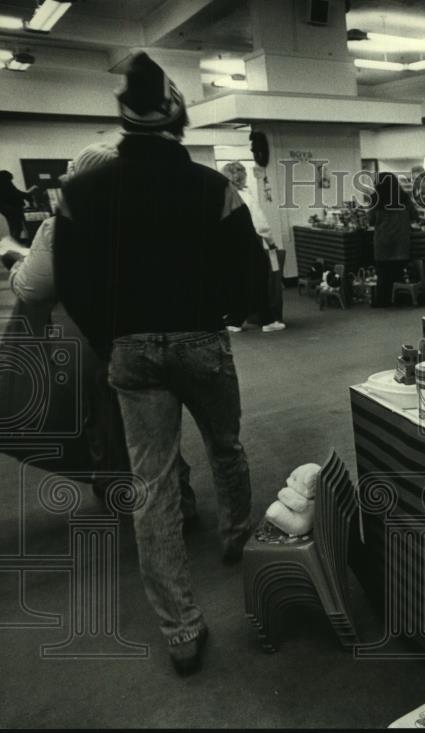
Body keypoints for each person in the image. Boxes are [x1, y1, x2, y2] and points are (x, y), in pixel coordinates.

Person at [52, 52, 260, 675]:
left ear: (123, 118)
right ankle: (237, 542)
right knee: (226, 446)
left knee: (152, 484)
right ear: (179, 118)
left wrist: (109, 337)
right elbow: (248, 271)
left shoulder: (80, 192)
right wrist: (223, 313)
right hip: (202, 340)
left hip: (131, 349)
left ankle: (181, 630)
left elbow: (70, 281)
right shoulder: (213, 186)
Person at [1, 142, 202, 520]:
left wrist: (14, 265)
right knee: (155, 423)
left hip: (95, 343)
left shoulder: (62, 225)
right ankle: (176, 499)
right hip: (156, 335)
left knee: (109, 422)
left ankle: (132, 499)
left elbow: (34, 287)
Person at [221, 161, 285, 333]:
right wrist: (271, 242)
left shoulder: (223, 194)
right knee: (260, 278)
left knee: (240, 281)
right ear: (242, 177)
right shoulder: (245, 196)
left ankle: (235, 320)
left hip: (230, 245)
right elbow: (260, 224)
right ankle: (267, 320)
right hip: (250, 241)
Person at [368, 171, 417, 307]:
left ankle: (382, 300)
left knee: (383, 274)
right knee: (398, 271)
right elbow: (415, 216)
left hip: (382, 241)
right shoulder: (404, 197)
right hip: (401, 241)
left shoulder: (375, 198)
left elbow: (371, 220)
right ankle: (400, 298)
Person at [0, 170, 37, 243]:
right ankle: (14, 243)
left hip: (6, 209)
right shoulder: (6, 184)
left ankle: (13, 243)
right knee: (16, 227)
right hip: (12, 209)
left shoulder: (2, 184)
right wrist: (29, 194)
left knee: (13, 226)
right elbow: (16, 193)